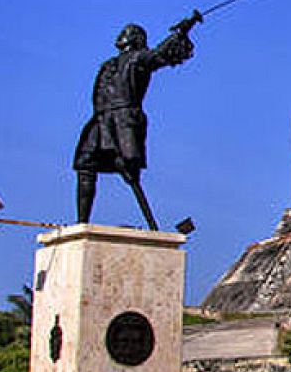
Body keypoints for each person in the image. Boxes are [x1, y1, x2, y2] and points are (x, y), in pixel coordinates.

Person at [73, 13, 200, 230]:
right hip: (101, 118)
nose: (121, 35)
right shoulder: (108, 64)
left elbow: (160, 54)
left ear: (135, 39)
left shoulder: (138, 58)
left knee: (129, 170)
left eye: (127, 32)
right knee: (85, 163)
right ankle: (81, 223)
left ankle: (152, 225)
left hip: (123, 119)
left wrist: (182, 31)